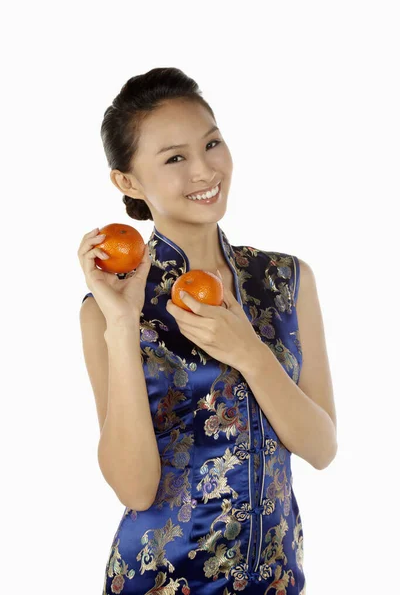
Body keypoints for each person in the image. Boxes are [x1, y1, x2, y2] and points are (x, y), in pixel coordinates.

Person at [78, 67, 337, 595]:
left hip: (278, 579)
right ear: (128, 182)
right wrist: (123, 325)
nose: (204, 170)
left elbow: (322, 448)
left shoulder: (286, 279)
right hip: (160, 581)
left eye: (212, 143)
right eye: (174, 158)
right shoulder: (109, 308)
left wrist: (252, 354)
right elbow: (135, 488)